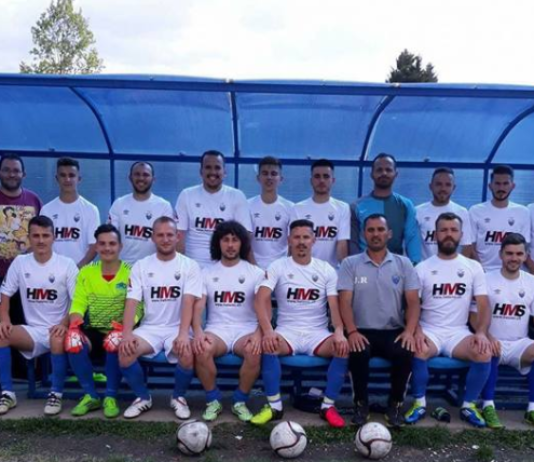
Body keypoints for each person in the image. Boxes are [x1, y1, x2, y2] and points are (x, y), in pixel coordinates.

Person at [251, 219, 349, 428]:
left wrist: (339, 331)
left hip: (317, 333)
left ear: (314, 240)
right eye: (296, 237)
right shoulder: (278, 266)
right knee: (269, 345)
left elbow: (334, 307)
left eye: (306, 237)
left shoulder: (326, 269)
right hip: (287, 332)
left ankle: (327, 406)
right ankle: (274, 406)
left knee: (342, 348)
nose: (301, 242)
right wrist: (268, 331)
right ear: (289, 240)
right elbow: (260, 300)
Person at [404, 212, 492, 427]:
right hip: (430, 330)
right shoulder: (422, 267)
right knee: (418, 349)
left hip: (458, 332)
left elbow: (483, 305)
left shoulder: (473, 267)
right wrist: (417, 331)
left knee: (483, 351)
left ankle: (468, 406)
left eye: (453, 230)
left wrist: (481, 332)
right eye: (443, 230)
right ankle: (419, 403)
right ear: (435, 235)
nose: (448, 234)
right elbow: (411, 306)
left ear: (461, 234)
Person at [338, 214, 421, 428]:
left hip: (393, 330)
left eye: (380, 229)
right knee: (357, 352)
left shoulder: (403, 264)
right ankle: (361, 404)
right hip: (360, 329)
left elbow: (413, 302)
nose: (376, 234)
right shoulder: (350, 264)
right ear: (364, 234)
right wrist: (352, 331)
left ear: (389, 234)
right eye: (371, 230)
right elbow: (344, 302)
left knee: (405, 351)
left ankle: (394, 404)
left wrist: (409, 332)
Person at [119, 216, 202, 419]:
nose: (165, 239)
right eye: (160, 235)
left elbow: (188, 302)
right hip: (150, 328)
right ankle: (143, 398)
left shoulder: (190, 265)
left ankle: (178, 397)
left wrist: (183, 334)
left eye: (169, 235)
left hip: (178, 327)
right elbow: (131, 302)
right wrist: (126, 333)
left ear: (177, 236)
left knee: (187, 352)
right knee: (125, 351)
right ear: (153, 237)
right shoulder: (141, 266)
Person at [0, 215, 78, 416]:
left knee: (56, 338)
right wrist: (4, 320)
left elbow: (77, 302)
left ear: (54, 237)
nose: (41, 240)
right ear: (29, 238)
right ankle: (8, 393)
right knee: (2, 334)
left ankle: (55, 394)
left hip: (59, 329)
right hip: (32, 332)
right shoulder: (20, 262)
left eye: (45, 235)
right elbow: (5, 294)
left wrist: (64, 324)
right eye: (36, 236)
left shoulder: (67, 264)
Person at [65, 224, 142, 418]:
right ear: (96, 247)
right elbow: (78, 303)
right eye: (102, 244)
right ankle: (90, 395)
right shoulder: (86, 272)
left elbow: (139, 308)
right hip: (94, 330)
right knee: (73, 341)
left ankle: (110, 396)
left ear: (120, 246)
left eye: (112, 244)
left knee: (114, 341)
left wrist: (125, 327)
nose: (107, 248)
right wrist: (74, 324)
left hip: (121, 330)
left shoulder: (131, 272)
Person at [192, 221, 264, 422]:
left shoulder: (255, 273)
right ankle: (213, 400)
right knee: (202, 348)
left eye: (235, 240)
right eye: (226, 240)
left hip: (246, 330)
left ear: (242, 243)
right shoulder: (206, 272)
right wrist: (197, 331)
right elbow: (198, 307)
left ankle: (239, 401)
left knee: (254, 351)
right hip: (217, 330)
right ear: (218, 243)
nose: (230, 245)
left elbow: (264, 308)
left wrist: (258, 334)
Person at [471, 233, 534, 429]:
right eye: (509, 253)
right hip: (491, 340)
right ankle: (488, 406)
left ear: (525, 256)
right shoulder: (485, 279)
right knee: (486, 348)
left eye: (519, 254)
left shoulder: (531, 282)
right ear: (500, 254)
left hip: (519, 343)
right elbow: (472, 315)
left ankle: (532, 409)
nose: (514, 258)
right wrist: (487, 336)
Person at [174, 150, 253, 268]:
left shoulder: (237, 196)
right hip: (193, 266)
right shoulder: (186, 195)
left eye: (217, 168)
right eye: (208, 167)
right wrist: (179, 267)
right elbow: (178, 236)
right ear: (201, 172)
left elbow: (245, 236)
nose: (213, 172)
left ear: (224, 172)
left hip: (225, 267)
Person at [350, 153, 421, 265]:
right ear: (372, 174)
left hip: (397, 269)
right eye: (379, 170)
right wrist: (356, 267)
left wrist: (414, 265)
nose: (384, 173)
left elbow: (412, 239)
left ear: (395, 174)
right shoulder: (357, 206)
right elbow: (353, 243)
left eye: (388, 170)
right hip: (364, 267)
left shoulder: (406, 205)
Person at [108, 161, 174, 265]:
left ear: (153, 179)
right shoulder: (119, 204)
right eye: (137, 174)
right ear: (130, 178)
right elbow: (109, 237)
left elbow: (169, 241)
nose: (141, 178)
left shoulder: (164, 206)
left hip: (153, 267)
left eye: (146, 175)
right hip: (123, 267)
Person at [468, 165, 531, 272]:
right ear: (490, 186)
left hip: (513, 273)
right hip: (484, 272)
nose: (501, 188)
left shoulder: (523, 212)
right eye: (497, 183)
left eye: (505, 183)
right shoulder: (475, 211)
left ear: (512, 186)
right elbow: (470, 246)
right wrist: (480, 271)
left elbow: (525, 247)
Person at [41, 157, 100, 268]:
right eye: (63, 175)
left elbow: (94, 246)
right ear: (56, 178)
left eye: (71, 175)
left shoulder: (91, 210)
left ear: (79, 179)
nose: (67, 179)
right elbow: (43, 243)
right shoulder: (46, 210)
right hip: (53, 272)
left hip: (81, 272)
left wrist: (77, 268)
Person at [290, 159, 349, 268]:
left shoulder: (343, 208)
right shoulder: (298, 208)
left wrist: (345, 271)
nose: (321, 180)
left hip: (331, 271)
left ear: (333, 180)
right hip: (303, 270)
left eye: (326, 176)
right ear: (311, 180)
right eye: (317, 176)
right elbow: (294, 244)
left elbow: (342, 244)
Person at [416, 167, 472, 260]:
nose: (443, 188)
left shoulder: (462, 212)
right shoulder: (418, 211)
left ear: (453, 187)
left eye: (448, 185)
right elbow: (411, 243)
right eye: (438, 184)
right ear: (431, 186)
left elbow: (467, 245)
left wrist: (458, 266)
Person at [248, 157, 294, 270]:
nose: (269, 177)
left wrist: (286, 268)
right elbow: (245, 242)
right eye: (265, 173)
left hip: (281, 269)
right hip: (253, 268)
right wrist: (255, 268)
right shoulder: (247, 206)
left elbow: (293, 244)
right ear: (258, 178)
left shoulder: (291, 208)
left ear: (281, 179)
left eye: (273, 174)